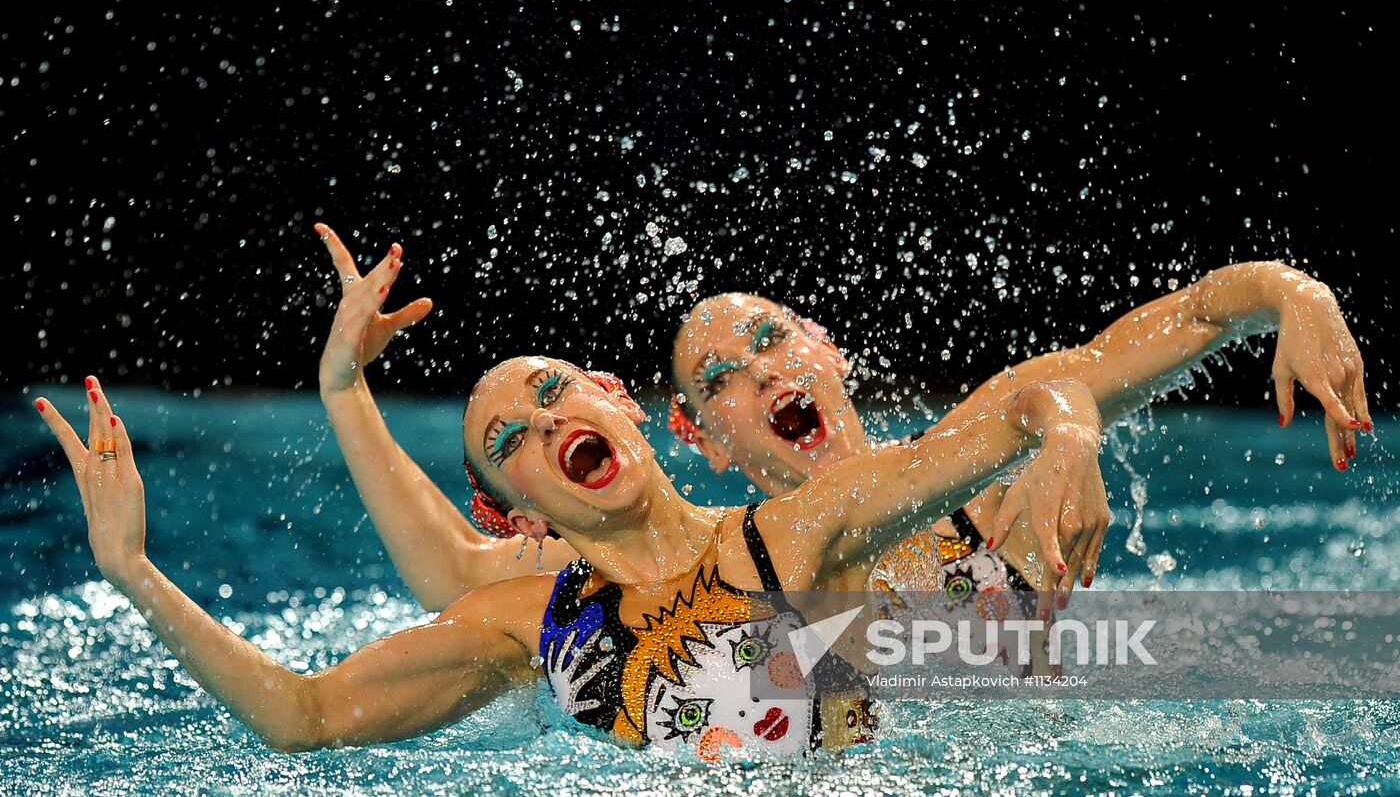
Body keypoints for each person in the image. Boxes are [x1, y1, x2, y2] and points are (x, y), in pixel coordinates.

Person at [36, 360, 1104, 756]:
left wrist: (1066, 437)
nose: (545, 429)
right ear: (509, 511)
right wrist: (133, 569)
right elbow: (302, 716)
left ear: (617, 401)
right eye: (511, 442)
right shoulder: (526, 624)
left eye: (555, 397)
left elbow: (1016, 405)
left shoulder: (793, 530)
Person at [664, 263, 1373, 599]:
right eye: (721, 379)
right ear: (704, 442)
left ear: (828, 353)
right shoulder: (715, 572)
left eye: (772, 339)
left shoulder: (986, 458)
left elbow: (1190, 319)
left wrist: (1293, 293)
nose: (761, 374)